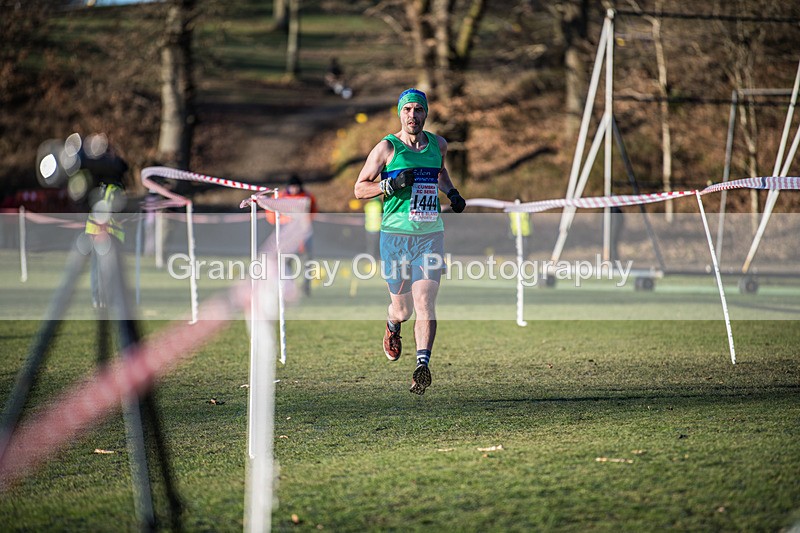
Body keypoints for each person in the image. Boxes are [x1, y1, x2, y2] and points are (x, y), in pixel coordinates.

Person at [354, 88, 466, 395]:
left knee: (425, 303)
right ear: (399, 113)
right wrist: (389, 184)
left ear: (425, 113)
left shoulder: (438, 144)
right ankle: (393, 326)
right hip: (395, 238)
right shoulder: (387, 148)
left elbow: (440, 173)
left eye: (418, 110)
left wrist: (452, 192)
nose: (412, 115)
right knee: (402, 311)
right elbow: (359, 189)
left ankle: (422, 366)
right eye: (407, 110)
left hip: (430, 237)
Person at [266, 174, 318, 295]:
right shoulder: (280, 196)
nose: (294, 189)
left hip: (303, 231)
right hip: (287, 232)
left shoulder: (307, 196)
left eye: (296, 187)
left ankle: (306, 286)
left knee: (307, 259)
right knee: (286, 261)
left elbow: (313, 210)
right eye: (292, 187)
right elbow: (270, 211)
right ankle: (288, 287)